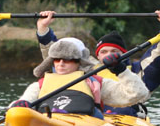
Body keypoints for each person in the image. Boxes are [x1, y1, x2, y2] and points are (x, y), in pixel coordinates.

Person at [35, 10, 160, 118]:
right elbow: (59, 54)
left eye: (115, 51)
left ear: (124, 53)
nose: (109, 55)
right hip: (89, 117)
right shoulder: (86, 68)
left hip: (126, 119)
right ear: (97, 56)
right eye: (104, 52)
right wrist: (43, 29)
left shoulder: (138, 70)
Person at [9, 37, 149, 119]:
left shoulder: (95, 84)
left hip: (85, 125)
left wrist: (121, 70)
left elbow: (138, 94)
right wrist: (20, 105)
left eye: (68, 59)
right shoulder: (39, 85)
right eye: (56, 60)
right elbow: (19, 104)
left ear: (79, 62)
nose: (61, 64)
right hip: (48, 124)